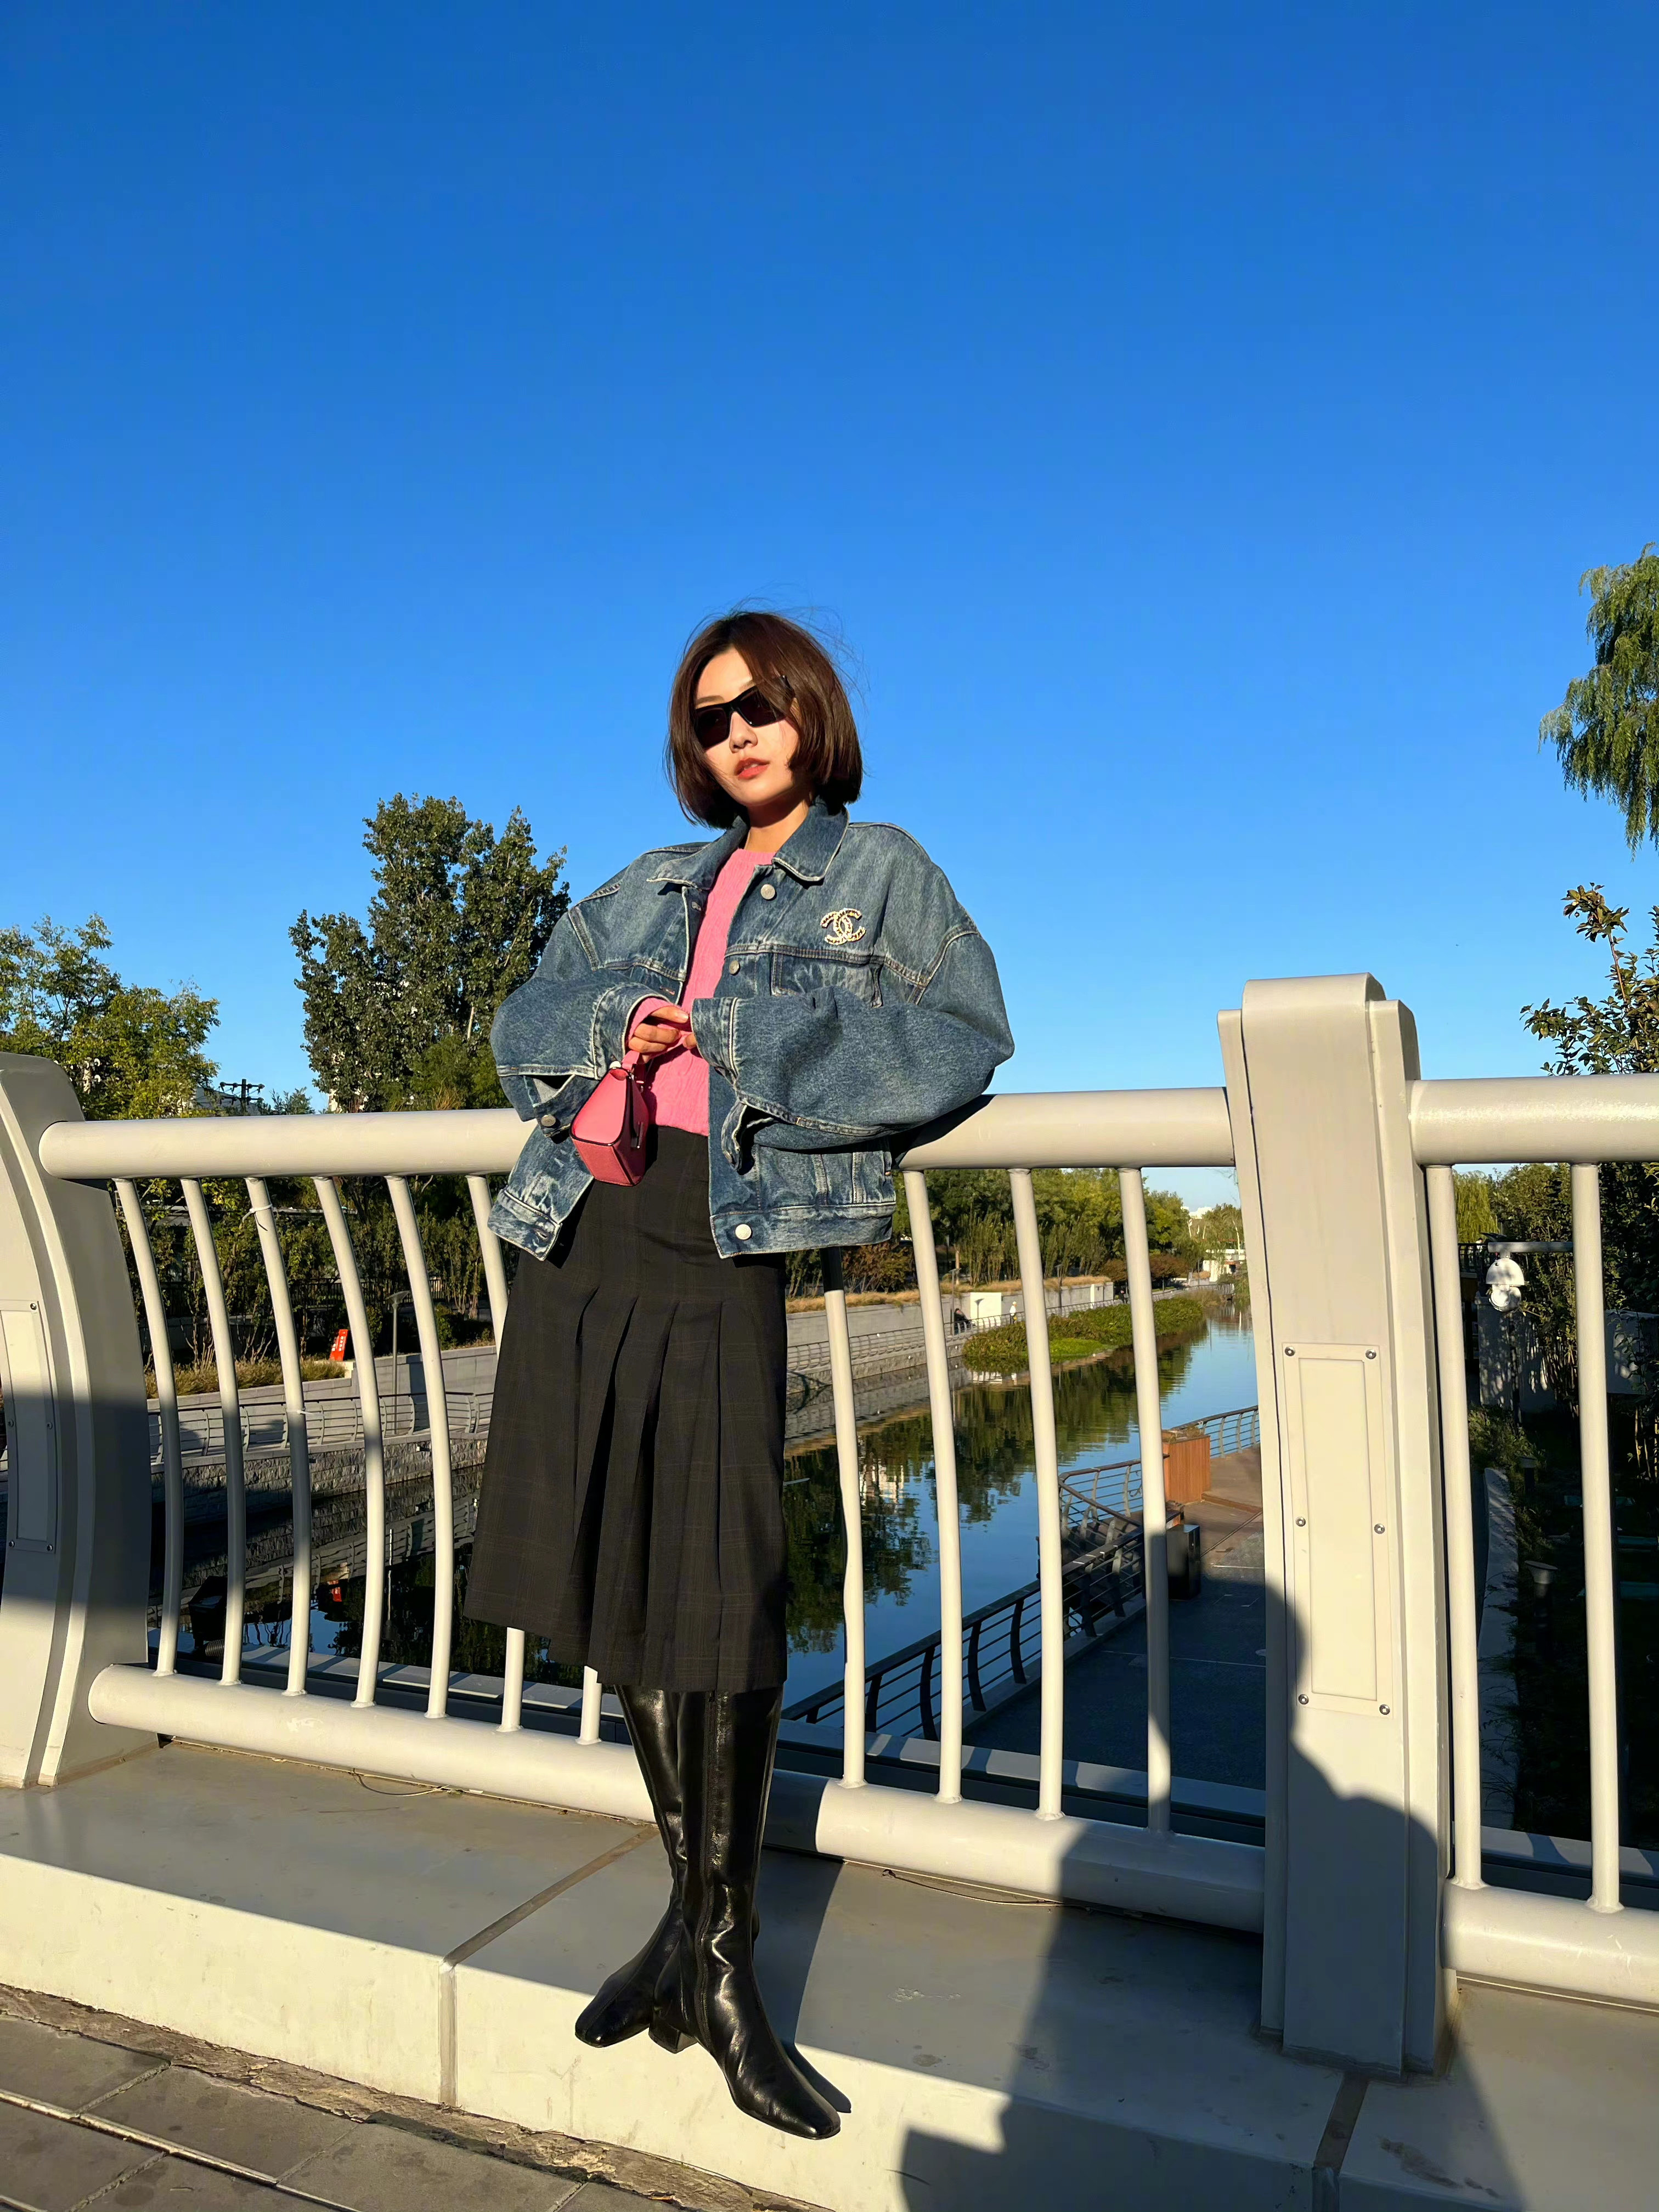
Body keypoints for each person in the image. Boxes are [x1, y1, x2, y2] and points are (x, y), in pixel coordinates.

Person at [466, 609, 1013, 2138]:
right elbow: (519, 1030)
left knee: (723, 1580)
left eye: (763, 707)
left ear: (811, 714)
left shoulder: (879, 868)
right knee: (618, 1570)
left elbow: (964, 1038)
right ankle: (696, 1946)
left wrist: (737, 1035)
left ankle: (718, 1959)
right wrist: (613, 1025)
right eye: (712, 720)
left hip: (727, 1232)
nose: (740, 735)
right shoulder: (651, 883)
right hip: (587, 1227)